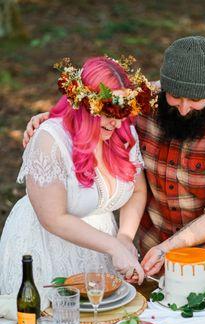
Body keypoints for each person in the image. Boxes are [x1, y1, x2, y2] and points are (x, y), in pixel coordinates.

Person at [23, 36, 205, 278]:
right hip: (155, 251)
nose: (183, 108)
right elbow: (96, 110)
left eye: (195, 100)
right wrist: (55, 118)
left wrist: (168, 248)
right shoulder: (142, 101)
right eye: (175, 96)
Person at [0, 55, 157, 311]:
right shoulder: (50, 140)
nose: (116, 122)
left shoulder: (122, 133)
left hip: (101, 248)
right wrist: (113, 246)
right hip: (47, 246)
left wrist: (125, 238)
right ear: (84, 107)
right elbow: (53, 218)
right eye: (107, 113)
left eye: (122, 112)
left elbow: (138, 189)